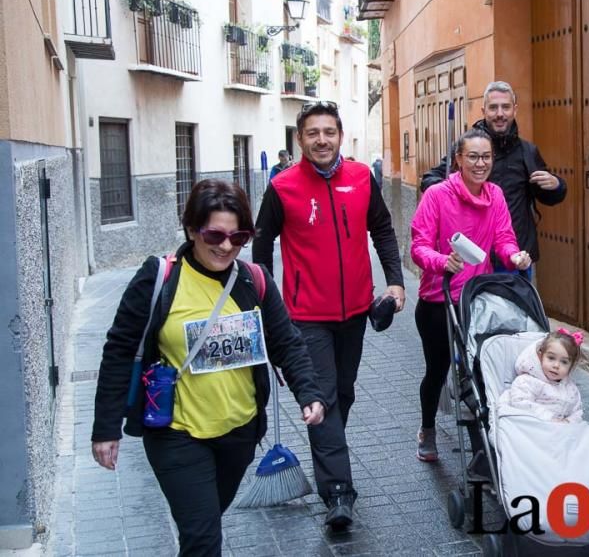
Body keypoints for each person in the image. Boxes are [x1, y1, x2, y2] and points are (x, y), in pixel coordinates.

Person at [91, 179, 325, 556]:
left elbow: (286, 342)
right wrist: (105, 428)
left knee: (204, 525)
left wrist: (309, 392)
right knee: (203, 537)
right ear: (191, 229)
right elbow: (118, 350)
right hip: (176, 432)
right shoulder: (160, 278)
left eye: (239, 236)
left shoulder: (254, 280)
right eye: (215, 234)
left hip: (239, 431)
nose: (226, 246)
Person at [253, 101, 404, 531]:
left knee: (343, 392)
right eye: (313, 133)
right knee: (321, 397)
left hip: (355, 311)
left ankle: (328, 444)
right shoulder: (282, 188)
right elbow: (261, 253)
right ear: (299, 139)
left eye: (330, 132)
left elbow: (383, 229)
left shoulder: (361, 178)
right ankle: (338, 492)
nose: (322, 140)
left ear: (340, 136)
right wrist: (269, 308)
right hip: (305, 317)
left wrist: (395, 281)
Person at [410, 127, 531, 461]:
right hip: (438, 300)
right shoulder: (437, 195)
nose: (481, 163)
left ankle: (482, 453)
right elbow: (418, 246)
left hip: (475, 302)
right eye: (473, 156)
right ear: (458, 160)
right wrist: (441, 261)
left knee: (478, 373)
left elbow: (504, 239)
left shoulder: (495, 195)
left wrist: (514, 256)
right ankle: (428, 428)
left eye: (487, 156)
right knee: (437, 371)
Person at [420, 81, 566, 276]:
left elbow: (546, 196)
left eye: (505, 107)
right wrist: (452, 194)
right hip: (473, 256)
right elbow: (431, 178)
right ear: (483, 110)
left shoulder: (527, 151)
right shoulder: (467, 147)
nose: (500, 113)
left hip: (514, 256)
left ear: (514, 110)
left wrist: (556, 186)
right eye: (493, 107)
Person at [497, 329, 584, 423]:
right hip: (534, 426)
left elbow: (577, 411)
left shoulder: (570, 388)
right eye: (551, 358)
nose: (556, 365)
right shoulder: (527, 381)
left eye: (564, 362)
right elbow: (520, 402)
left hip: (561, 430)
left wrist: (568, 421)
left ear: (571, 366)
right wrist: (549, 418)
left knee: (587, 432)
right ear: (540, 356)